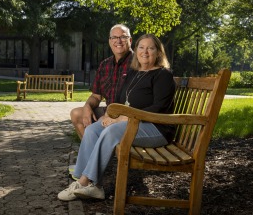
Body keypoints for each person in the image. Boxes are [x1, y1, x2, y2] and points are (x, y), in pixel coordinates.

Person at [58, 34, 176, 201]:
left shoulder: (163, 75)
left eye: (150, 48)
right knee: (93, 129)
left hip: (156, 128)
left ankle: (85, 183)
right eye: (141, 47)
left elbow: (158, 108)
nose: (145, 52)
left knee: (112, 131)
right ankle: (88, 183)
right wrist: (108, 115)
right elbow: (120, 99)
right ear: (136, 50)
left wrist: (123, 118)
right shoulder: (135, 73)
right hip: (133, 122)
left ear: (158, 52)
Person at [70, 24, 133, 139]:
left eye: (123, 37)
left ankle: (99, 154)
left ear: (130, 40)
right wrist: (87, 106)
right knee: (76, 114)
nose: (118, 41)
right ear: (109, 41)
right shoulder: (105, 65)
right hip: (108, 111)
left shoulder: (138, 63)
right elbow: (96, 96)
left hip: (128, 115)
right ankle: (93, 152)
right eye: (114, 37)